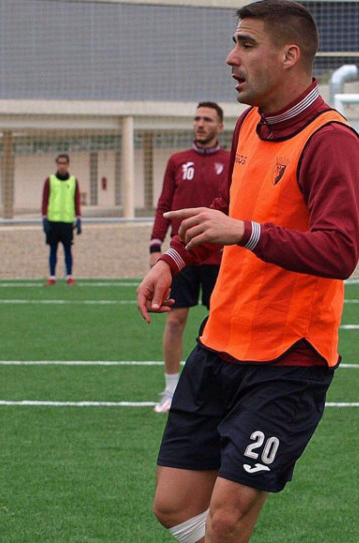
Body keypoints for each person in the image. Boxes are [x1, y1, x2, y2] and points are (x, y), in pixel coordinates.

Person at [136, 1, 359, 541]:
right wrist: (172, 259)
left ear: (289, 56)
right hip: (219, 345)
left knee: (226, 518)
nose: (230, 57)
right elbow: (223, 206)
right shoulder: (248, 125)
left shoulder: (332, 141)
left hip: (288, 361)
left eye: (245, 44)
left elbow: (340, 252)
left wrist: (246, 232)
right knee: (172, 507)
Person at [149, 102, 230, 414]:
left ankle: (221, 390)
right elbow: (164, 204)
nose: (200, 123)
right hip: (181, 255)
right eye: (197, 118)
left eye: (207, 119)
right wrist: (156, 246)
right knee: (175, 320)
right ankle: (170, 391)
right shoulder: (177, 161)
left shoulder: (230, 161)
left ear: (219, 126)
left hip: (219, 257)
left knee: (222, 323)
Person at [41, 153, 82, 285]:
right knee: (53, 250)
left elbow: (76, 200)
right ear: (56, 164)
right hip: (53, 221)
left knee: (68, 250)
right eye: (60, 163)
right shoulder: (50, 180)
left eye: (64, 163)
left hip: (67, 221)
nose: (62, 166)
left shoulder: (73, 181)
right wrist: (44, 219)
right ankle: (52, 277)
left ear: (68, 165)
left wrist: (79, 218)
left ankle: (69, 276)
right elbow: (45, 200)